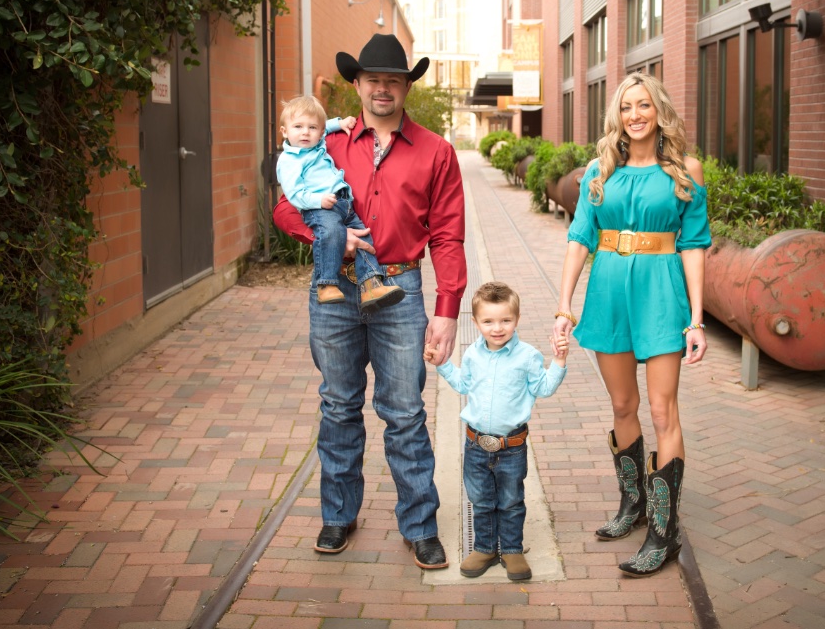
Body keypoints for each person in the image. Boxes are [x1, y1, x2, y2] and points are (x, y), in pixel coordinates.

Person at [273, 33, 465, 570]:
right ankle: (338, 516)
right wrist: (329, 239)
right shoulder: (326, 143)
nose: (383, 88)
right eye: (373, 79)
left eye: (393, 80)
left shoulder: (436, 151)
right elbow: (286, 209)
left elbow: (448, 235)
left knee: (404, 412)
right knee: (338, 406)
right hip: (335, 293)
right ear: (357, 85)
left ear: (406, 87)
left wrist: (447, 310)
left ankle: (420, 526)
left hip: (400, 292)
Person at [552, 72, 711, 577]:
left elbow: (694, 245)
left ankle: (664, 533)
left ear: (659, 111)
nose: (635, 115)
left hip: (661, 293)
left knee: (663, 410)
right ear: (616, 116)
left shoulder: (685, 170)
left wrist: (697, 319)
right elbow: (580, 238)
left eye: (644, 105)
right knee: (623, 404)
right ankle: (633, 504)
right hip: (609, 293)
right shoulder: (600, 170)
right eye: (626, 107)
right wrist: (564, 306)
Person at [426, 281, 568, 582]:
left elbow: (543, 388)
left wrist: (558, 360)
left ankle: (512, 550)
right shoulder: (472, 355)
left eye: (505, 320)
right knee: (480, 500)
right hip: (476, 445)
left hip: (511, 447)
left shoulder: (527, 356)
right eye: (488, 321)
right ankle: (485, 548)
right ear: (476, 322)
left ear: (517, 319)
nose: (497, 328)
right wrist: (443, 364)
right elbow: (463, 384)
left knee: (511, 501)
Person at [274, 95, 404, 313]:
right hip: (319, 208)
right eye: (298, 127)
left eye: (311, 128)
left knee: (364, 236)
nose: (305, 132)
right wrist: (318, 201)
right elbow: (294, 193)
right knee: (332, 233)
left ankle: (371, 284)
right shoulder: (290, 161)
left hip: (344, 203)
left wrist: (340, 123)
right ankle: (326, 284)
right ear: (284, 131)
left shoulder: (317, 144)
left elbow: (324, 128)